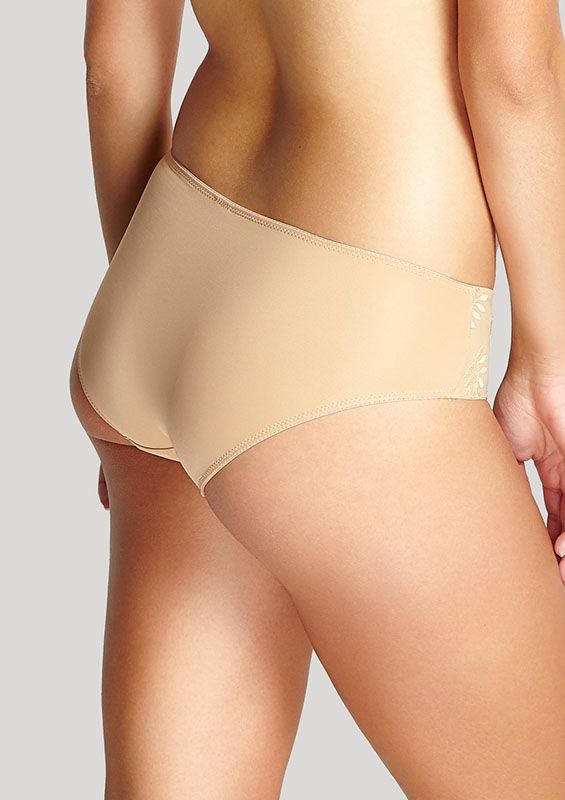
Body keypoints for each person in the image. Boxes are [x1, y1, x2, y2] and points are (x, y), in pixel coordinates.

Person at [70, 1, 565, 797]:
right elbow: (515, 74)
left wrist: (177, 353)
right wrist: (547, 361)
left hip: (161, 273)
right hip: (352, 344)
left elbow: (111, 67)